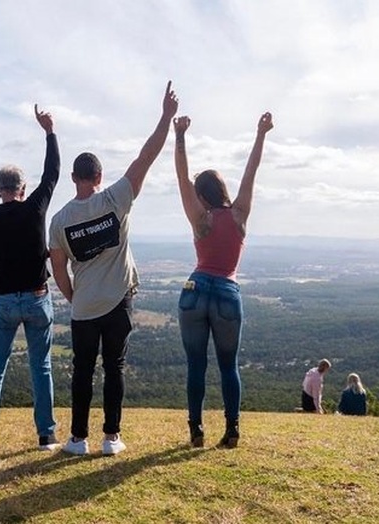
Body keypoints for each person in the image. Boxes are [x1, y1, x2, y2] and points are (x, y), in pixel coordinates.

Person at [49, 81, 179, 456]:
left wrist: (75, 297)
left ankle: (77, 440)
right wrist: (166, 118)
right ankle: (111, 438)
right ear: (100, 177)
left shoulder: (59, 221)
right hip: (120, 299)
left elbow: (59, 270)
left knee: (82, 371)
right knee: (115, 368)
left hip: (84, 305)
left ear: (74, 178)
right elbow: (145, 158)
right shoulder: (115, 199)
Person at [172, 111, 274, 448]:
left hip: (195, 289)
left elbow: (181, 175)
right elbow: (251, 171)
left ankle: (196, 430)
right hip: (228, 293)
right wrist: (260, 134)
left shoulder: (199, 217)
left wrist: (181, 135)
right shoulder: (240, 214)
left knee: (195, 366)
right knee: (228, 367)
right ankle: (231, 431)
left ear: (201, 195)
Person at [0, 105, 61, 459]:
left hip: (3, 300)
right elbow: (52, 173)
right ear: (22, 189)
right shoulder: (35, 207)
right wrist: (49, 131)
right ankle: (46, 436)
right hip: (38, 298)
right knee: (41, 366)